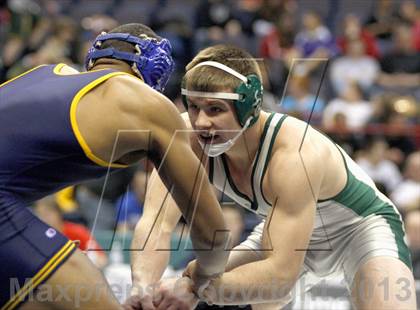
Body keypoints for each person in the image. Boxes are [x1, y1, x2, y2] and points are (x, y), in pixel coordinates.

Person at [131, 45, 417, 309]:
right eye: (193, 107)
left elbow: (280, 279)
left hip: (359, 230)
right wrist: (142, 289)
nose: (202, 122)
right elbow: (156, 224)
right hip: (285, 229)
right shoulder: (185, 139)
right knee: (206, 277)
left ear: (248, 107)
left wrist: (198, 288)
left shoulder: (295, 154)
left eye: (215, 109)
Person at [0, 23, 230, 310]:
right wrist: (198, 282)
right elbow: (212, 230)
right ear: (154, 70)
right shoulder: (144, 102)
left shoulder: (40, 74)